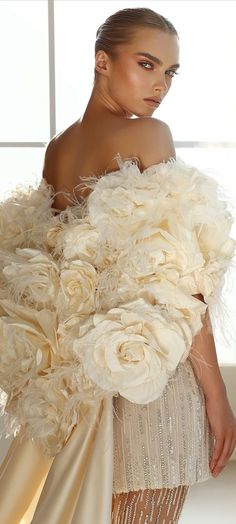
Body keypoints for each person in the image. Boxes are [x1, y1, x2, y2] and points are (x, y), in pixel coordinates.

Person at [0, 7, 235, 524]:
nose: (161, 86)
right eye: (147, 64)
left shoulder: (58, 149)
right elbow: (179, 273)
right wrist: (215, 392)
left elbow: (58, 273)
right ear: (102, 61)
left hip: (88, 379)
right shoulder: (149, 134)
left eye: (170, 72)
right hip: (151, 377)